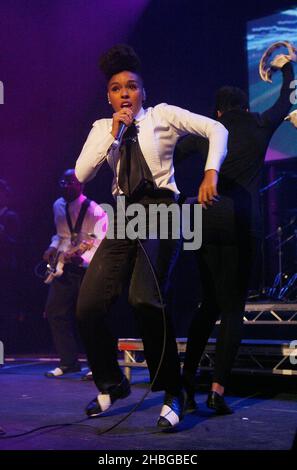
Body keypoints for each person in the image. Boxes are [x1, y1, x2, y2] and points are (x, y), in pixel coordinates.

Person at [75, 44, 228, 429]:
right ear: (107, 95)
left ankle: (172, 391)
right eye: (116, 88)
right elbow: (81, 174)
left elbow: (217, 128)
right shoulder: (101, 129)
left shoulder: (163, 116)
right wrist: (113, 133)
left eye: (131, 86)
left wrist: (211, 172)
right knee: (88, 305)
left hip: (161, 211)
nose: (124, 93)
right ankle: (112, 384)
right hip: (123, 216)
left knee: (145, 298)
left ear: (143, 90)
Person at [177, 53, 295, 414]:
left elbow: (168, 153)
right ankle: (217, 390)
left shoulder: (208, 132)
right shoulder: (260, 123)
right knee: (232, 310)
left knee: (207, 303)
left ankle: (185, 384)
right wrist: (286, 66)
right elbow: (285, 98)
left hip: (206, 221)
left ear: (217, 112)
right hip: (244, 224)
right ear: (244, 105)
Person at [43, 169, 108, 378]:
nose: (66, 185)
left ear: (81, 185)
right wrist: (53, 247)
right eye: (63, 181)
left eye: (71, 182)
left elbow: (100, 242)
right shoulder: (58, 205)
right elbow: (62, 236)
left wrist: (83, 259)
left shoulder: (95, 210)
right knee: (55, 311)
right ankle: (68, 362)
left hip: (86, 269)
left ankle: (97, 365)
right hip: (64, 266)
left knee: (88, 316)